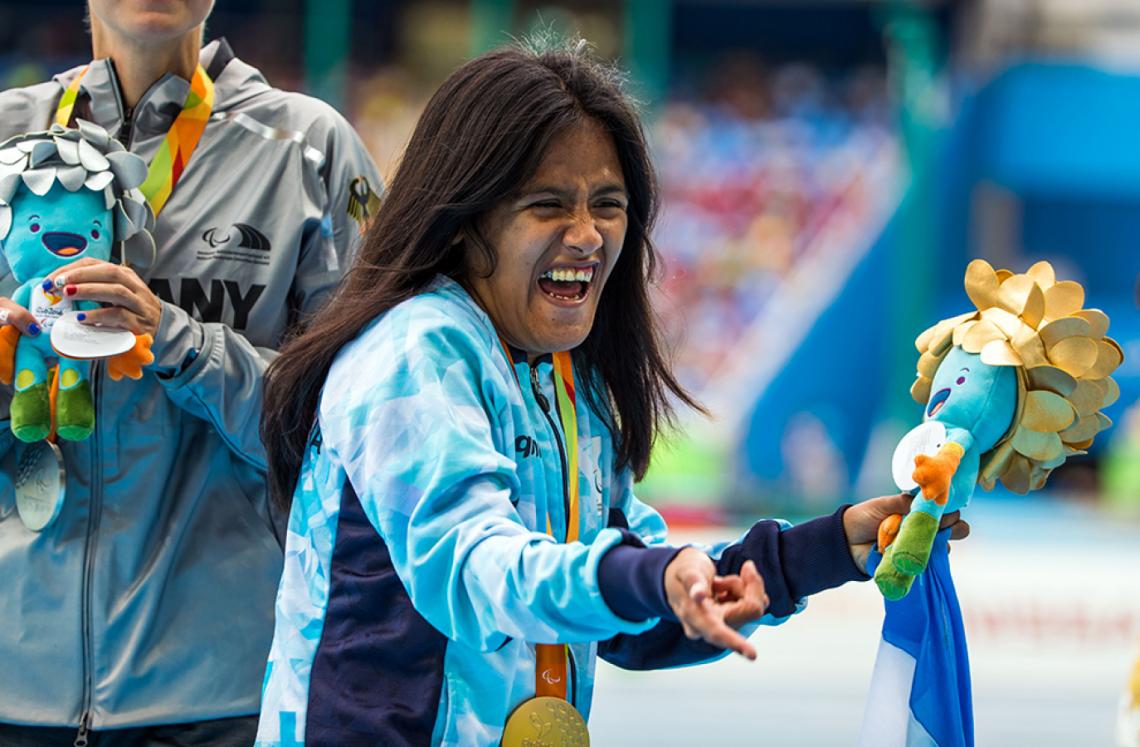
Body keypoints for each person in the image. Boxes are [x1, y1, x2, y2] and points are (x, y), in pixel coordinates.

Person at [256, 39, 966, 746]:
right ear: (465, 219)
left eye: (608, 204)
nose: (588, 235)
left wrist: (829, 548)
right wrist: (652, 578)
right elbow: (479, 571)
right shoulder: (416, 350)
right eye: (547, 205)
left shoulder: (570, 377)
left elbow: (637, 606)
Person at [0, 1, 381, 745]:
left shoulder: (310, 150)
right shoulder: (5, 136)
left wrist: (174, 338)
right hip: (12, 686)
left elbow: (360, 435)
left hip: (216, 696)